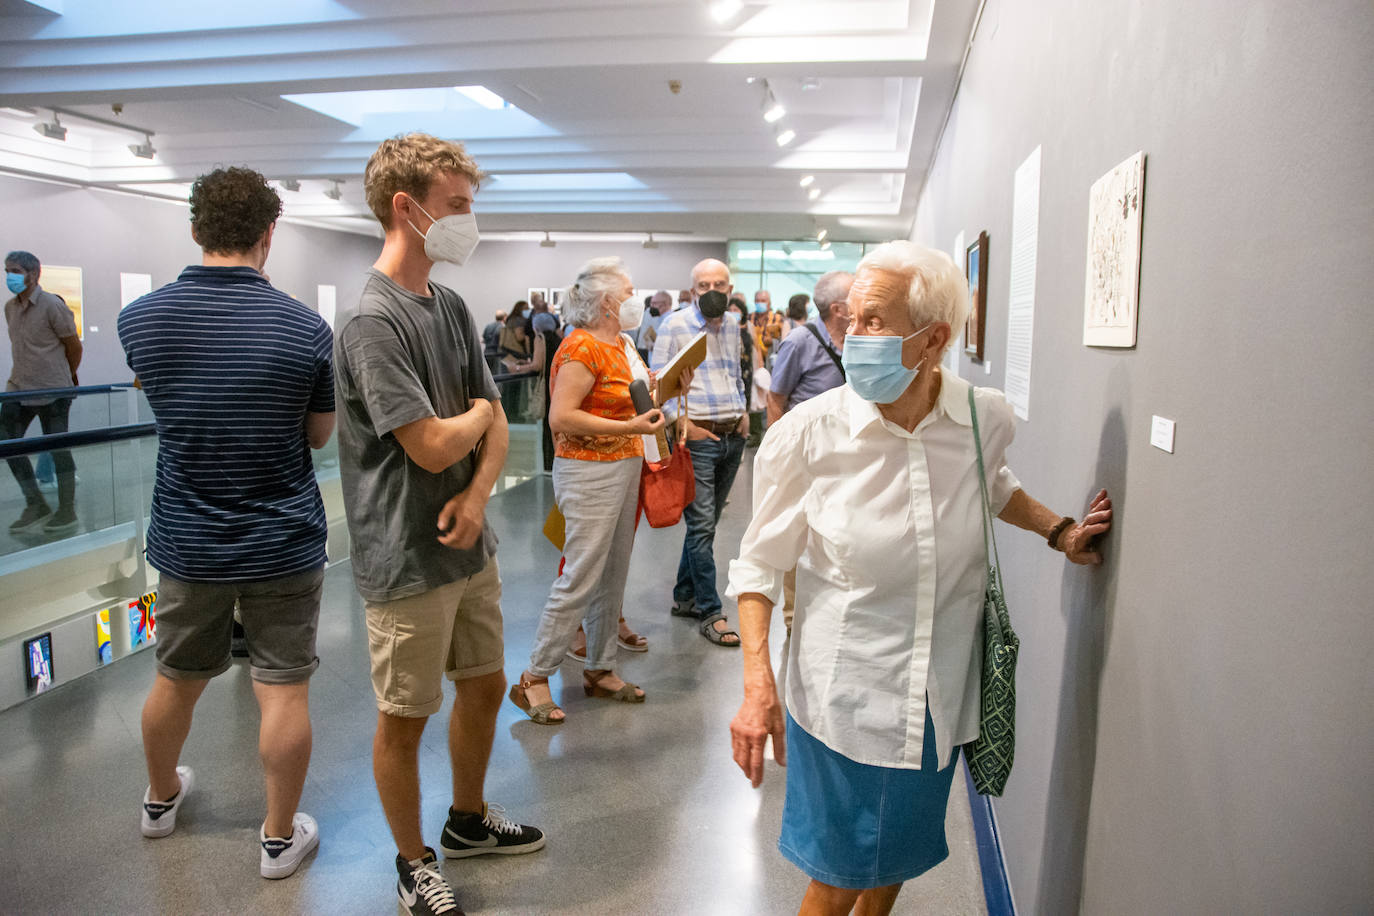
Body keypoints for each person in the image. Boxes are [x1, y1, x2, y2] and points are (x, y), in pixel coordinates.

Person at [726, 241, 1113, 916]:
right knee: (837, 876)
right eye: (850, 318)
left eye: (874, 321)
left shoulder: (978, 416)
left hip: (937, 695)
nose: (852, 336)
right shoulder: (809, 435)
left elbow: (994, 487)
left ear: (932, 339)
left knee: (894, 860)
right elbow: (759, 564)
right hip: (845, 696)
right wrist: (758, 685)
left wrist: (1061, 532)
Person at [335, 132, 543, 916]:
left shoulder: (449, 306)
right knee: (404, 716)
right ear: (406, 207)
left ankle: (464, 819)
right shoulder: (370, 320)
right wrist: (484, 409)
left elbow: (492, 432)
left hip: (469, 547)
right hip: (405, 558)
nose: (467, 220)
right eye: (457, 205)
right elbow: (427, 446)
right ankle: (412, 861)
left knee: (485, 686)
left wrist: (481, 495)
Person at [118, 167, 334, 879]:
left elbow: (166, 398)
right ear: (268, 235)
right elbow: (319, 436)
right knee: (283, 685)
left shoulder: (138, 320)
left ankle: (158, 801)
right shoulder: (306, 327)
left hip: (187, 541)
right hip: (283, 539)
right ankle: (277, 839)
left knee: (174, 676)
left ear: (195, 228)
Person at [511, 257, 665, 724]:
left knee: (613, 573)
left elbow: (631, 398)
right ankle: (534, 677)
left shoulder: (619, 343)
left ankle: (600, 668)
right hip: (589, 471)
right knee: (580, 575)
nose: (636, 297)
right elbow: (562, 417)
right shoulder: (581, 348)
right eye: (629, 290)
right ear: (606, 302)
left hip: (623, 465)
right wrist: (633, 423)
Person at [651, 258, 748, 647]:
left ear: (729, 288)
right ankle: (711, 611)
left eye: (719, 284)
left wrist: (742, 413)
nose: (712, 291)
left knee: (703, 525)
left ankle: (685, 597)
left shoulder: (735, 324)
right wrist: (683, 425)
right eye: (704, 285)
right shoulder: (674, 325)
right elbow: (657, 384)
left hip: (732, 435)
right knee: (703, 524)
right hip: (698, 439)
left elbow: (735, 371)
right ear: (693, 291)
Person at [766, 270, 854, 633]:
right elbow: (775, 398)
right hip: (804, 453)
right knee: (799, 531)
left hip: (847, 452)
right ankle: (792, 617)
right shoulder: (800, 342)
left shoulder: (859, 338)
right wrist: (778, 457)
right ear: (838, 308)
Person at [3, 250, 82, 537]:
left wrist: (64, 377)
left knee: (59, 450)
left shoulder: (52, 305)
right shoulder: (10, 308)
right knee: (7, 443)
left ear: (34, 274)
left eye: (15, 270)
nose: (9, 276)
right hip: (19, 389)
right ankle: (35, 503)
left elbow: (74, 347)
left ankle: (66, 509)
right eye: (7, 270)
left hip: (54, 390)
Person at [482, 309, 507, 375]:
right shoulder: (502, 326)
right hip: (496, 354)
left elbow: (484, 338)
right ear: (504, 317)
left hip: (486, 353)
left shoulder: (488, 326)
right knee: (496, 375)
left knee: (487, 375)